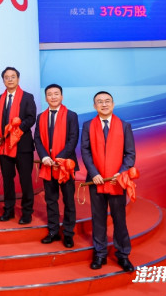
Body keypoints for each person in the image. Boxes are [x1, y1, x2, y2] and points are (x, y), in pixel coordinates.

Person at [81, 91, 136, 272]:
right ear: (94, 106)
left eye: (107, 101)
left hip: (116, 181)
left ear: (113, 104)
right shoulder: (88, 126)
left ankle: (123, 254)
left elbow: (130, 154)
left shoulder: (124, 126)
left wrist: (120, 173)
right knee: (98, 218)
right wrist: (94, 173)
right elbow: (85, 151)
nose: (104, 104)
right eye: (100, 102)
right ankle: (100, 253)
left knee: (119, 218)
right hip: (96, 180)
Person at [34, 84, 79, 248]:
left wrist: (60, 157)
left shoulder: (71, 115)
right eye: (49, 94)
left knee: (68, 201)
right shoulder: (41, 117)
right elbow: (37, 139)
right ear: (46, 98)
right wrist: (45, 157)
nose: (53, 97)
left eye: (56, 94)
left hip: (65, 165)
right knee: (51, 200)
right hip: (48, 164)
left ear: (62, 96)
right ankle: (53, 231)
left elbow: (73, 139)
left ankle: (68, 233)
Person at [0, 67, 37, 224]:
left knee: (25, 180)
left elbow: (31, 118)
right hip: (4, 146)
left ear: (18, 79)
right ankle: (8, 210)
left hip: (23, 147)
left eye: (13, 76)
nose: (10, 79)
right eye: (7, 77)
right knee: (7, 180)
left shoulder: (27, 97)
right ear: (3, 80)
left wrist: (16, 131)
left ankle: (27, 213)